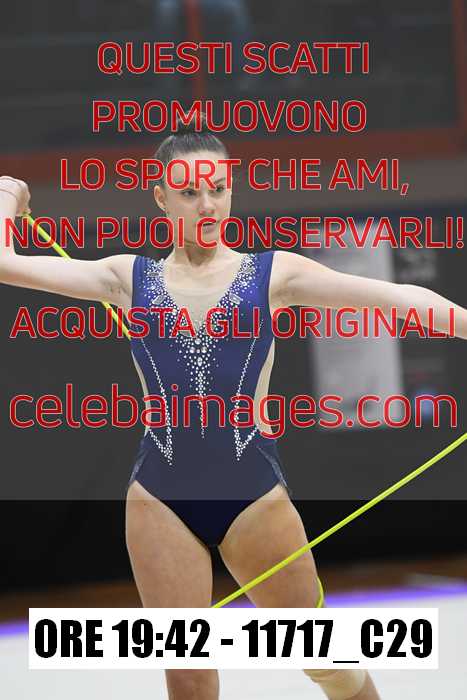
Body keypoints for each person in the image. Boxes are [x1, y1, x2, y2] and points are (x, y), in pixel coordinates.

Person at [0, 118, 466, 700]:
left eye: (218, 189)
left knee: (328, 663)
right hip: (159, 498)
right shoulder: (127, 276)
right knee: (189, 677)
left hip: (251, 494)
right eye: (189, 191)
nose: (207, 204)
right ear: (161, 197)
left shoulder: (273, 273)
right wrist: (7, 195)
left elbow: (399, 299)